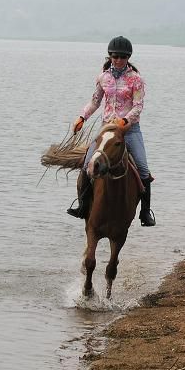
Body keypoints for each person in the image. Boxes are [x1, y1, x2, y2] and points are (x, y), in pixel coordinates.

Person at [67, 36, 156, 227]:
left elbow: (138, 106)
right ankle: (82, 206)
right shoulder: (103, 77)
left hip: (129, 130)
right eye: (115, 56)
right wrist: (82, 117)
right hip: (107, 129)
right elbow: (95, 101)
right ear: (110, 56)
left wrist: (125, 120)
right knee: (87, 165)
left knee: (143, 169)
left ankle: (145, 213)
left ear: (128, 57)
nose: (118, 60)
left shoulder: (136, 79)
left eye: (122, 57)